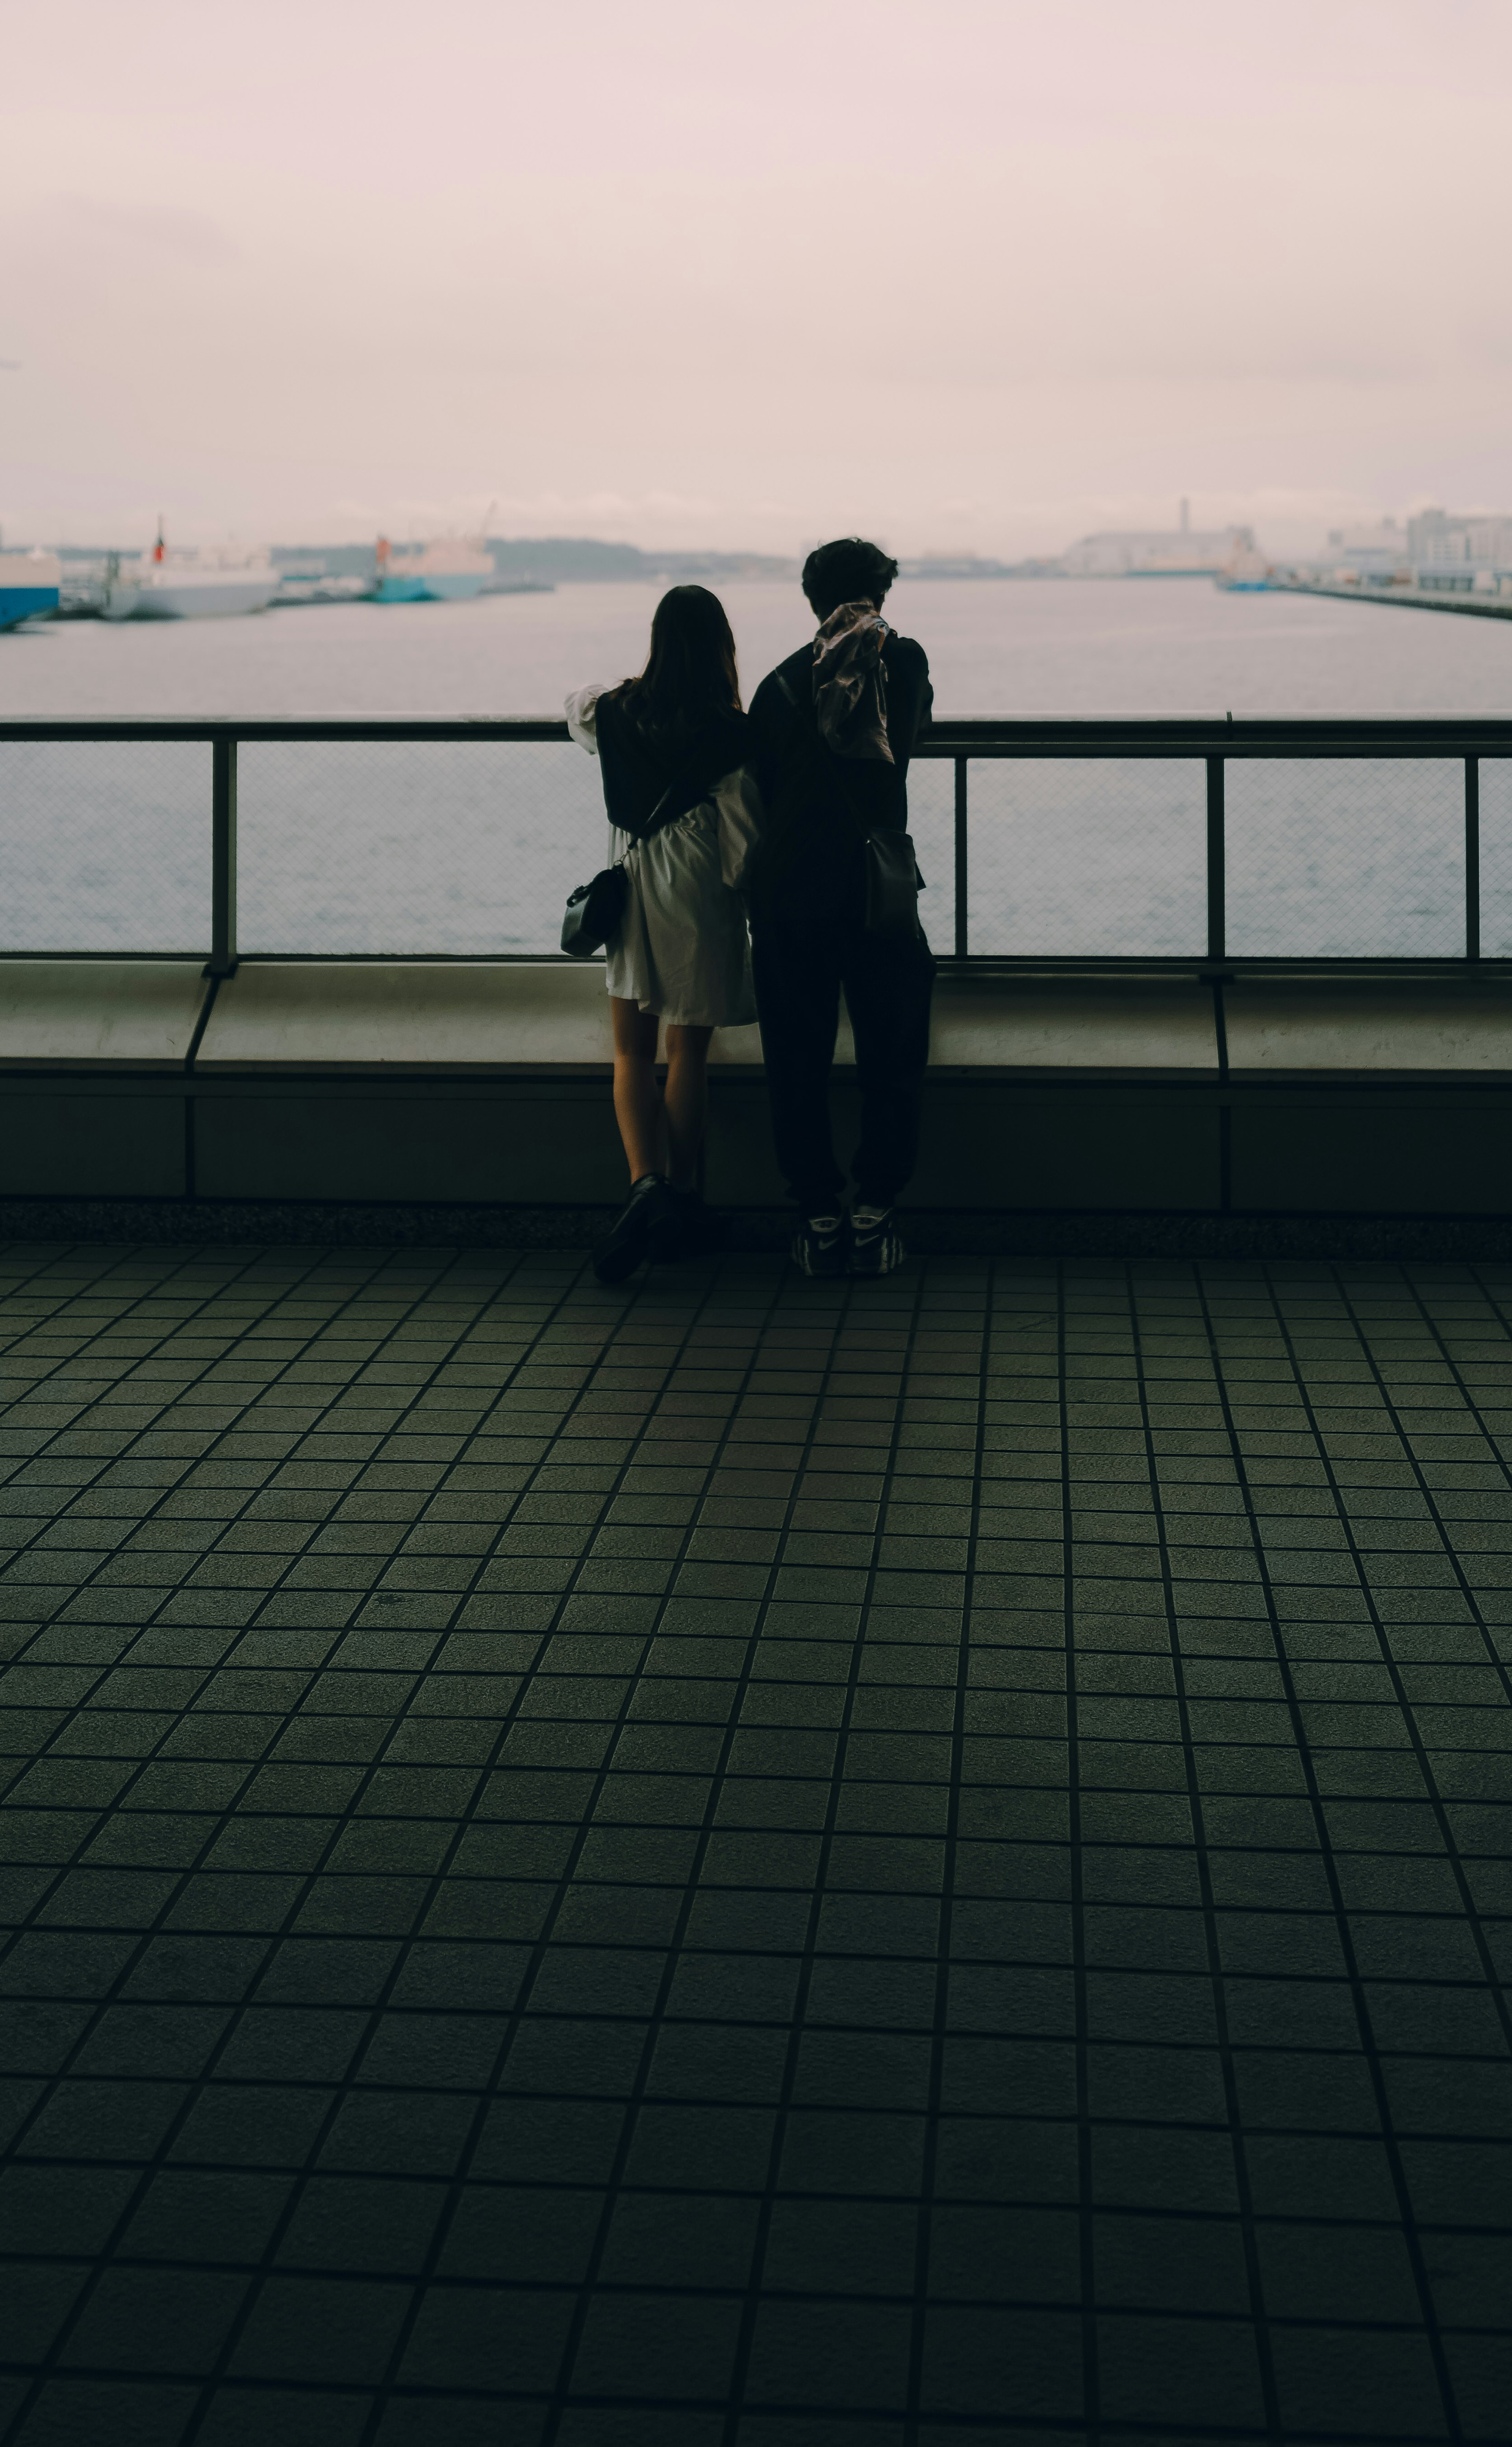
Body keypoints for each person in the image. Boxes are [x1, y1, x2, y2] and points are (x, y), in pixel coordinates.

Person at [746, 537, 935, 1277]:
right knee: (893, 1051)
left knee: (796, 1058)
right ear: (883, 592)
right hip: (873, 889)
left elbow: (761, 785)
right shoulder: (906, 661)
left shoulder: (779, 684)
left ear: (812, 599)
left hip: (789, 890)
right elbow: (909, 741)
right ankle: (876, 1207)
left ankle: (817, 1214)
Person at [566, 585, 760, 1285]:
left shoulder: (614, 711)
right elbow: (744, 845)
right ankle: (677, 1196)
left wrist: (627, 686)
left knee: (630, 1047)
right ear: (721, 648)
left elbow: (576, 705)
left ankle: (643, 1186)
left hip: (632, 886)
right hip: (697, 890)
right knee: (688, 1052)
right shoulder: (734, 733)